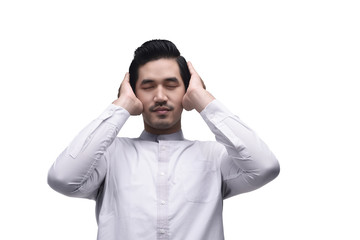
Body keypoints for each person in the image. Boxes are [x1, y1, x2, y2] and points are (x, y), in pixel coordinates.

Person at [48, 39, 280, 240]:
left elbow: (265, 167)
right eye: (147, 87)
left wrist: (203, 99)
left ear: (187, 90)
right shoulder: (110, 156)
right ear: (134, 92)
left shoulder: (215, 157)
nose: (160, 96)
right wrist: (121, 106)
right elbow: (62, 178)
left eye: (171, 85)